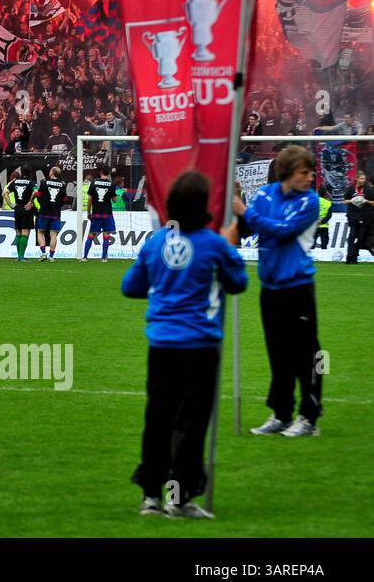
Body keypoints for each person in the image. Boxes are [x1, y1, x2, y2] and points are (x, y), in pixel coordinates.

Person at [122, 170, 248, 519]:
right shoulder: (213, 244)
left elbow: (130, 287)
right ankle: (180, 497)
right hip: (200, 346)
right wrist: (229, 247)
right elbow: (238, 284)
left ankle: (151, 497)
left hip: (162, 344)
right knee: (190, 425)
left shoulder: (157, 241)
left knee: (158, 419)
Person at [230, 146, 324, 438]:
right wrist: (232, 206)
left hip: (297, 288)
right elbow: (248, 229)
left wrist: (246, 212)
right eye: (304, 172)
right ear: (287, 172)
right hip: (269, 288)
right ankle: (281, 414)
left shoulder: (309, 202)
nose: (309, 178)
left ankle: (309, 417)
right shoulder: (264, 194)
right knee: (278, 353)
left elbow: (282, 231)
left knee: (306, 354)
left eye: (311, 173)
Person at [82, 167, 117, 262]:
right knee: (106, 235)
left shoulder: (94, 183)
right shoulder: (111, 184)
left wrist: (88, 212)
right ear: (109, 173)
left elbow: (89, 199)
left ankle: (85, 257)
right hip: (107, 214)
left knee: (91, 235)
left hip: (96, 214)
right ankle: (104, 258)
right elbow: (114, 200)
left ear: (101, 172)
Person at [34, 166, 69, 261]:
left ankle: (43, 253)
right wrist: (57, 205)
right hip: (56, 213)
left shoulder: (44, 182)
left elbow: (38, 196)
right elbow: (64, 199)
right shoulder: (62, 185)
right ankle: (51, 256)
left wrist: (42, 203)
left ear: (52, 172)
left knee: (40, 232)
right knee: (53, 235)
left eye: (50, 170)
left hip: (44, 212)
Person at [7, 167, 37, 262]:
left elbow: (5, 192)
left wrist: (11, 205)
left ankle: (19, 256)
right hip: (27, 209)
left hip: (18, 208)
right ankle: (21, 256)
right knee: (25, 233)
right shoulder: (32, 182)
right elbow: (36, 192)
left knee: (18, 233)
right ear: (30, 173)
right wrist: (30, 201)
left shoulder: (15, 182)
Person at [342, 171, 371, 264]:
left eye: (364, 178)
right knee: (352, 235)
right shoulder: (350, 189)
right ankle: (349, 255)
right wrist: (352, 200)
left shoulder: (369, 189)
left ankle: (354, 255)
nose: (363, 180)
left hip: (365, 216)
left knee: (361, 238)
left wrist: (365, 201)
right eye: (362, 178)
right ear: (357, 179)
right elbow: (344, 201)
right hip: (353, 216)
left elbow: (373, 202)